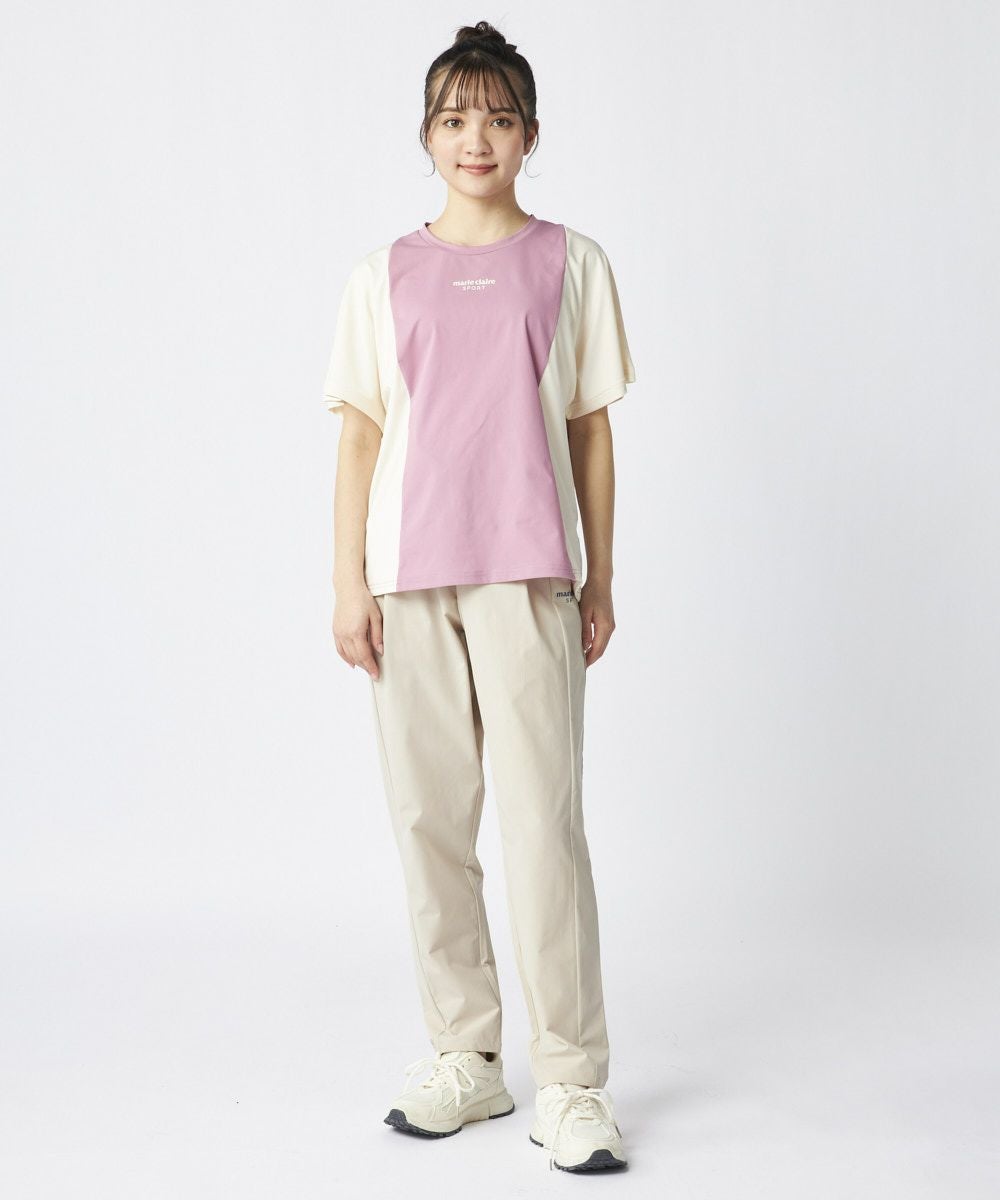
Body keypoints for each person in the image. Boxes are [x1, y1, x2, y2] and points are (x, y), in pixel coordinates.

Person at [323, 20, 636, 1174]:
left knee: (543, 827)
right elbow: (361, 436)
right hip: (407, 581)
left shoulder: (572, 263)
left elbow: (590, 430)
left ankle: (571, 1079)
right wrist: (347, 582)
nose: (476, 139)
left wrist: (600, 574)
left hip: (528, 574)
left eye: (498, 118)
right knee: (429, 824)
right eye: (455, 118)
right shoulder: (380, 276)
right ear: (427, 134)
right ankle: (467, 1055)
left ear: (529, 135)